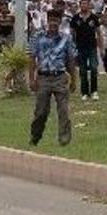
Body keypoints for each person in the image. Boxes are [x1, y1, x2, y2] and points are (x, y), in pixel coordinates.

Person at [28, 10, 77, 147]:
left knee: (63, 110)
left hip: (60, 77)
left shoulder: (66, 39)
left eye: (56, 21)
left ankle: (64, 139)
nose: (53, 23)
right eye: (51, 20)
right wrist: (31, 79)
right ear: (47, 21)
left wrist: (74, 79)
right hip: (43, 77)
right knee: (41, 111)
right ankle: (35, 136)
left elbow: (71, 60)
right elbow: (32, 58)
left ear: (60, 22)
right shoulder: (37, 37)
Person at [69, 0, 102, 101]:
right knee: (82, 70)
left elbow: (99, 33)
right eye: (82, 4)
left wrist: (102, 47)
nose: (84, 6)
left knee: (93, 68)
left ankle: (94, 91)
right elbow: (72, 33)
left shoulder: (94, 18)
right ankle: (84, 92)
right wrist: (72, 47)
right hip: (80, 47)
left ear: (89, 5)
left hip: (92, 46)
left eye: (85, 4)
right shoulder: (75, 18)